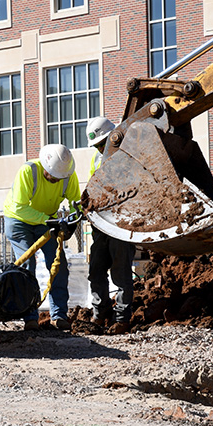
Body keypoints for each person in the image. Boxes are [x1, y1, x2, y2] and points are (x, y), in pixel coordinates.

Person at [3, 144, 81, 331]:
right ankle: (30, 316)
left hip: (46, 221)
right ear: (45, 167)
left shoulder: (67, 174)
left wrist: (72, 222)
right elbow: (20, 207)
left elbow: (76, 204)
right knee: (27, 266)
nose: (55, 179)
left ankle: (59, 316)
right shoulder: (28, 171)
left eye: (58, 177)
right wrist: (49, 221)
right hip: (19, 221)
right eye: (52, 175)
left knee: (58, 264)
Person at [85, 116, 136, 335]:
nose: (98, 148)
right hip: (102, 223)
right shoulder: (97, 158)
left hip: (122, 222)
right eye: (96, 145)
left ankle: (123, 318)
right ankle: (100, 314)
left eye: (100, 143)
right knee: (96, 270)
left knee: (121, 271)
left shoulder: (130, 153)